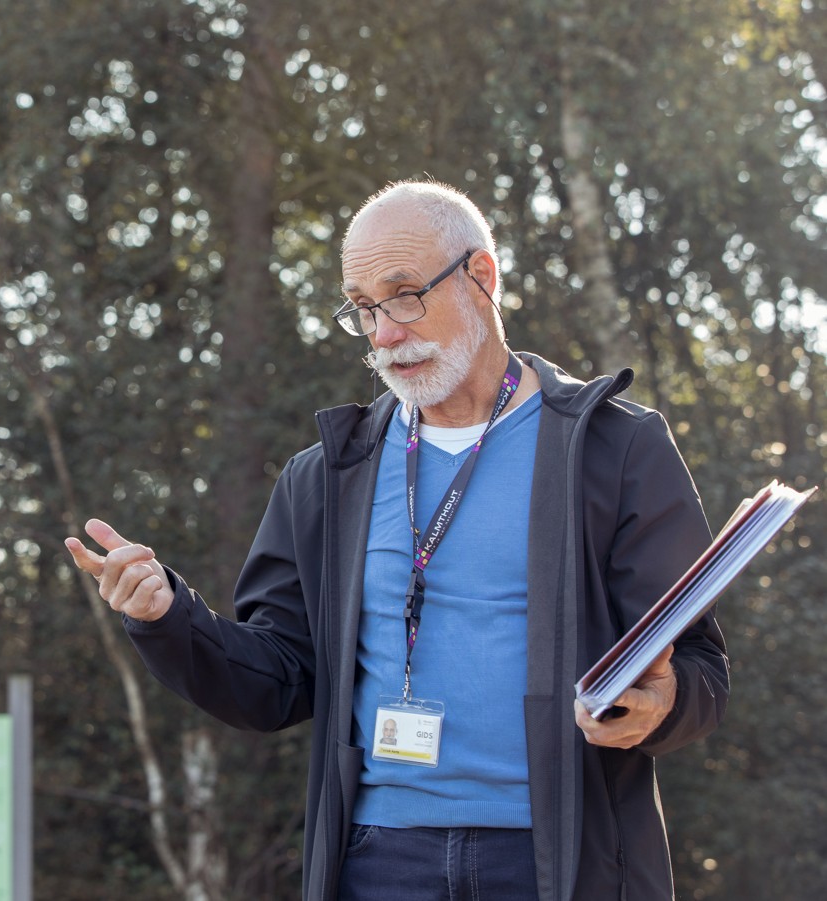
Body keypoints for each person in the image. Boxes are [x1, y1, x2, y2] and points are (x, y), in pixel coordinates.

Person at [65, 180, 729, 901]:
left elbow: (698, 666)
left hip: (562, 859)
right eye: (363, 307)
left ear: (482, 276)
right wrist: (167, 616)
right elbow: (278, 682)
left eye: (405, 295)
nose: (383, 333)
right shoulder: (328, 475)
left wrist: (663, 702)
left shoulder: (615, 449)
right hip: (379, 861)